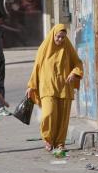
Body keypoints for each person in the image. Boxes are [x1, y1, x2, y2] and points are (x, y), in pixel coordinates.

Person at [25, 24, 83, 154]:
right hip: (47, 87)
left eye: (63, 37)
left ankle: (60, 143)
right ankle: (48, 139)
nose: (60, 40)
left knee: (63, 118)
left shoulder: (68, 47)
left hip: (64, 87)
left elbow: (78, 63)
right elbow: (37, 67)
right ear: (53, 35)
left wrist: (74, 73)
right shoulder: (44, 48)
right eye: (58, 37)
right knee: (48, 114)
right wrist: (31, 86)